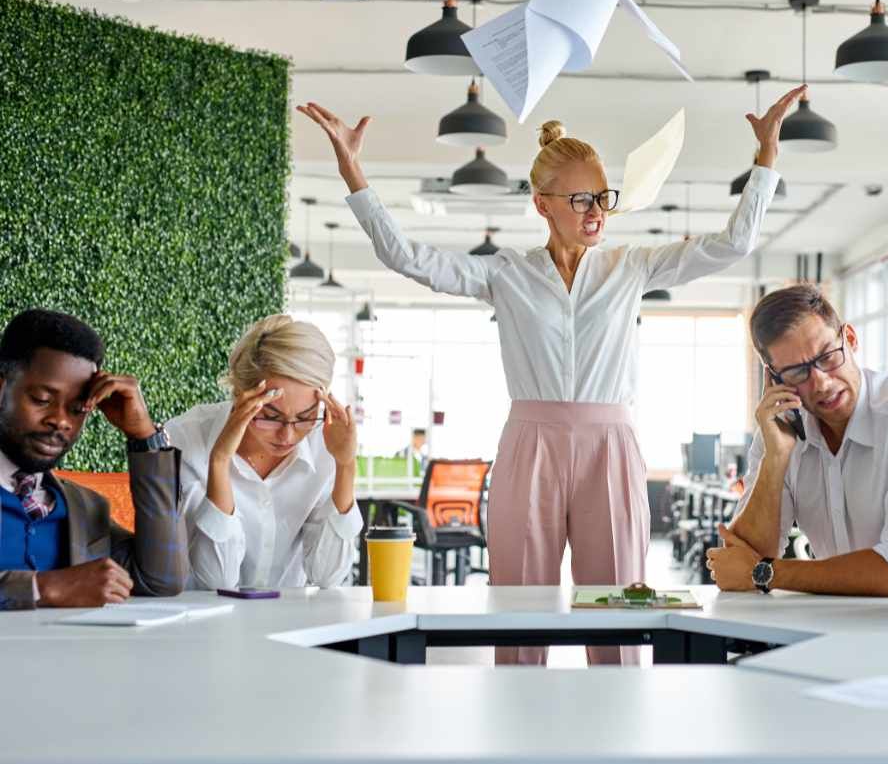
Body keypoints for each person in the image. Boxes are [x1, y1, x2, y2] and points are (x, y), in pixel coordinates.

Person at [297, 85, 803, 665]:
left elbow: (734, 244)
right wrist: (353, 172)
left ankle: (618, 733)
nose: (596, 213)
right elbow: (408, 258)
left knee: (616, 610)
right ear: (543, 204)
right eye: (581, 200)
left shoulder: (631, 266)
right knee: (518, 610)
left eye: (603, 199)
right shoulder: (506, 273)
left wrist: (766, 156)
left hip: (609, 445)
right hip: (529, 443)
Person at [707, 283, 888, 599]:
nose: (821, 382)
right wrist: (774, 460)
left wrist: (765, 572)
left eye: (827, 357)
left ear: (851, 339)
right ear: (774, 379)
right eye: (796, 372)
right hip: (845, 626)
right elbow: (743, 556)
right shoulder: (780, 430)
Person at [0, 309, 187, 609]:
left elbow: (161, 579)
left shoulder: (85, 509)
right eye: (42, 400)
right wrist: (42, 588)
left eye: (77, 409)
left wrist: (144, 438)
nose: (60, 421)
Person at [166, 315, 362, 590]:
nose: (288, 435)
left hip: (290, 624)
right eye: (270, 416)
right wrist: (220, 460)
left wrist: (345, 465)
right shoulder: (185, 440)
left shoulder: (326, 443)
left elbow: (328, 575)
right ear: (239, 394)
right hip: (202, 624)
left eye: (306, 416)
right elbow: (216, 580)